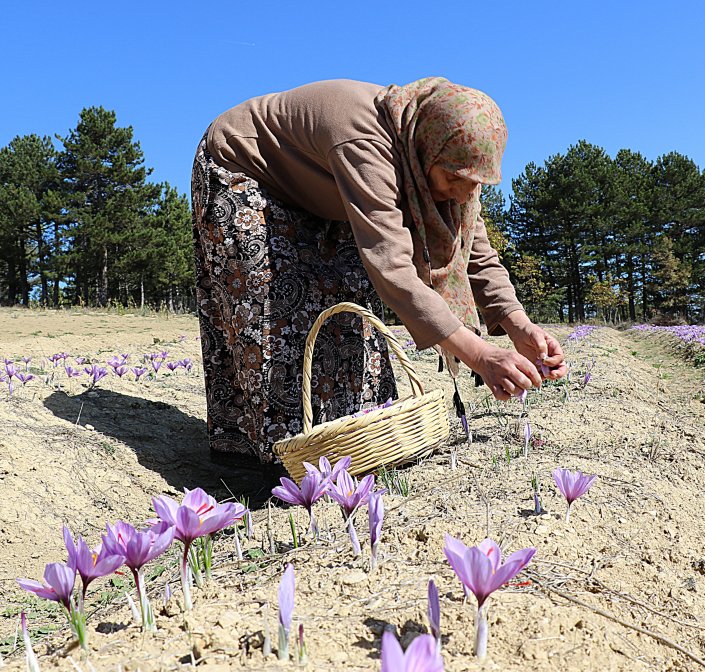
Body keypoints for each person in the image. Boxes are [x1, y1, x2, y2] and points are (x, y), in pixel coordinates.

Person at [191, 77, 566, 466]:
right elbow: (394, 272)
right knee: (275, 307)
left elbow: (477, 255)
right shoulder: (366, 143)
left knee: (352, 309)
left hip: (322, 191)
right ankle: (277, 459)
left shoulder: (451, 163)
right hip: (246, 169)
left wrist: (520, 326)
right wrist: (482, 356)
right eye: (454, 179)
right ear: (425, 149)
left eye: (475, 184)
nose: (464, 194)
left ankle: (351, 448)